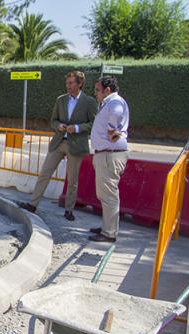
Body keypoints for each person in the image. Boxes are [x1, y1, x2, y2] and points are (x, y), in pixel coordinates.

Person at [18, 71, 97, 221]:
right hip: (59, 142)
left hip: (76, 144)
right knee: (44, 173)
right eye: (67, 83)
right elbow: (53, 120)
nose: (68, 86)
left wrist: (78, 128)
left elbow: (94, 124)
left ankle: (69, 210)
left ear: (80, 84)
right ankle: (33, 205)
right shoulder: (60, 100)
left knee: (72, 180)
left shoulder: (89, 102)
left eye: (71, 83)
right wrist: (58, 126)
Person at [87, 76, 130, 243]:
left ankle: (109, 233)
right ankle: (107, 227)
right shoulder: (109, 102)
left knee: (109, 195)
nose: (96, 93)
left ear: (107, 90)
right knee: (105, 194)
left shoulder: (114, 103)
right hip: (106, 153)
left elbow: (117, 115)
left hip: (109, 154)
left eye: (98, 90)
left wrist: (112, 129)